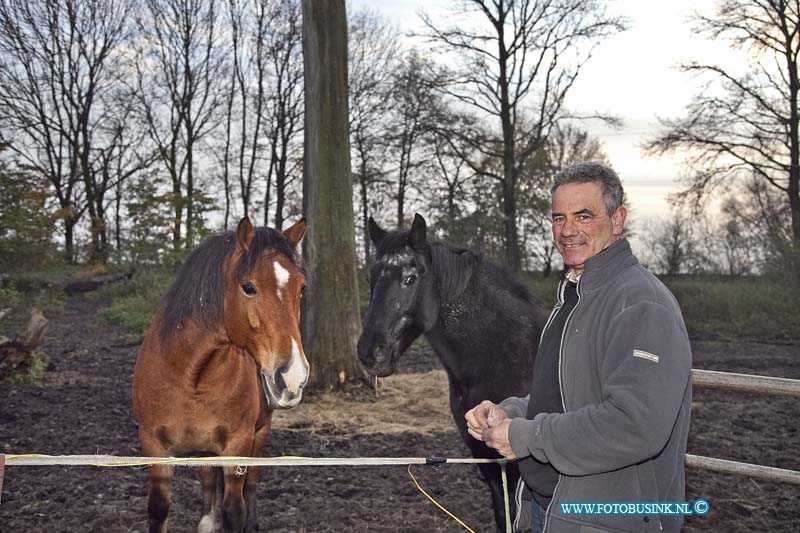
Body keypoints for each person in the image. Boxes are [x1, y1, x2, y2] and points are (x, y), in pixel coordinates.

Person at [466, 162, 692, 532]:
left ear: (617, 220)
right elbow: (567, 397)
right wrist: (511, 414)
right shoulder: (572, 300)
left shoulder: (640, 304)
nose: (567, 231)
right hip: (550, 510)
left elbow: (633, 425)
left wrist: (526, 437)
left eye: (583, 216)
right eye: (558, 218)